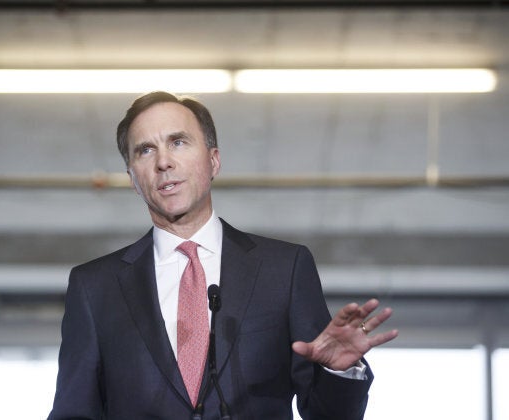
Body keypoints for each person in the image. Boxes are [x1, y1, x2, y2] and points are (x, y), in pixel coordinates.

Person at [47, 91, 398, 420]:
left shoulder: (284, 269)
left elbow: (327, 414)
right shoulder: (94, 287)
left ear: (214, 161)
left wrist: (336, 371)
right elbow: (73, 411)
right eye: (145, 151)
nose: (164, 162)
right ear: (132, 178)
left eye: (178, 142)